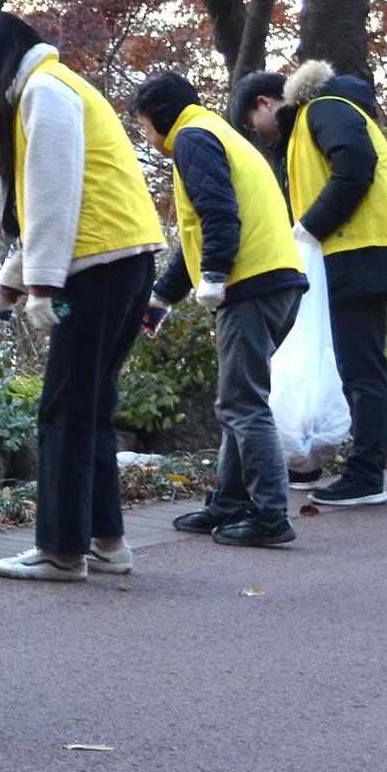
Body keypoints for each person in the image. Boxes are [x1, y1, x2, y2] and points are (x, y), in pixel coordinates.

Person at [0, 15, 164, 582]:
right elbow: (53, 198)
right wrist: (10, 285)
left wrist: (42, 285)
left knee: (63, 408)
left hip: (96, 267)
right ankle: (106, 542)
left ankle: (61, 551)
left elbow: (52, 194)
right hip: (124, 260)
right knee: (90, 406)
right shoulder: (60, 84)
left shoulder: (43, 92)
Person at [227, 62, 387, 507]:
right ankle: (316, 465)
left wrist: (310, 226)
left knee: (362, 368)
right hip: (358, 250)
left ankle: (367, 476)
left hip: (360, 252)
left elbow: (354, 168)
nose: (258, 133)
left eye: (253, 123)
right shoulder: (310, 126)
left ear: (266, 103)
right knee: (344, 361)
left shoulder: (324, 108)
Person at [130, 73, 307, 548]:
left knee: (242, 403)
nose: (147, 138)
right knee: (237, 399)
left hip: (250, 284)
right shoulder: (216, 132)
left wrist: (214, 275)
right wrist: (162, 296)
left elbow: (218, 213)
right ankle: (228, 505)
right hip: (277, 279)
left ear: (161, 119)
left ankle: (271, 516)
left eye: (145, 126)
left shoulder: (192, 137)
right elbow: (199, 230)